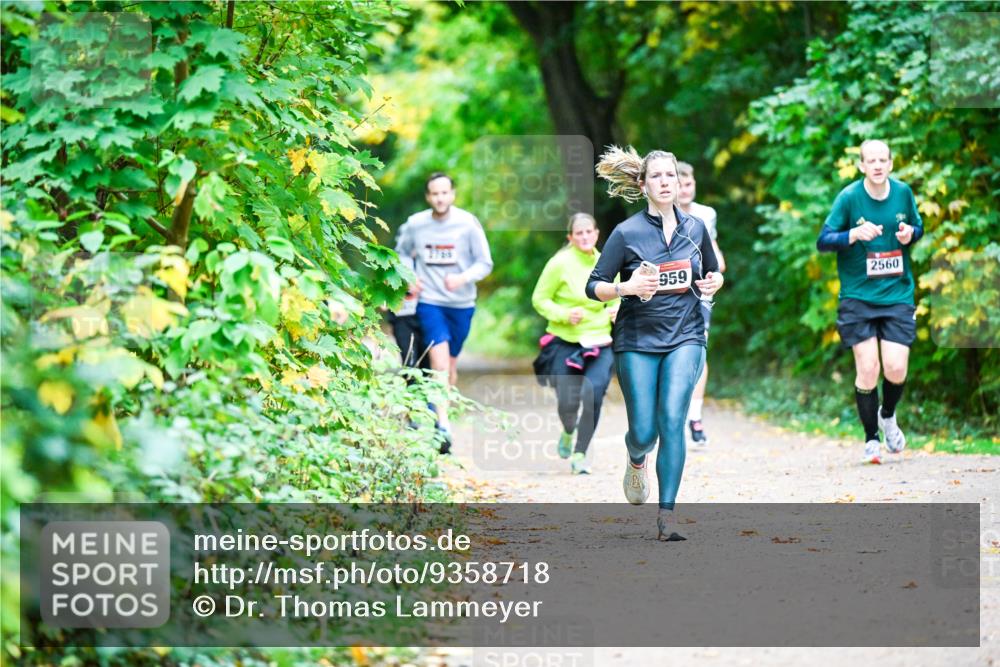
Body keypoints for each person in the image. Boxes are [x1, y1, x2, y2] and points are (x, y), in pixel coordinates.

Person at [587, 146, 724, 541]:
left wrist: (713, 282)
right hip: (636, 339)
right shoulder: (626, 233)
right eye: (658, 177)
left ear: (680, 183)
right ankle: (635, 458)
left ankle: (668, 516)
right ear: (643, 184)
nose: (666, 182)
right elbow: (592, 285)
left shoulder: (695, 228)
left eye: (672, 176)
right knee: (645, 432)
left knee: (672, 422)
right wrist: (624, 287)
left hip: (686, 334)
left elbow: (712, 273)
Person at [816, 139, 923, 464]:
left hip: (896, 294)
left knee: (895, 367)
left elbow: (918, 227)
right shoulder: (849, 197)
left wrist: (910, 234)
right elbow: (823, 241)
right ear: (862, 165)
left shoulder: (903, 192)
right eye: (870, 161)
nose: (877, 165)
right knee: (868, 367)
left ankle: (887, 415)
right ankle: (871, 439)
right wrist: (852, 235)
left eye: (883, 160)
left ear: (890, 164)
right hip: (858, 297)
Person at [396, 172, 493, 454]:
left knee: (450, 367)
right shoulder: (416, 224)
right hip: (430, 302)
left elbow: (485, 263)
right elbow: (401, 253)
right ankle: (442, 426)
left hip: (461, 304)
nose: (439, 198)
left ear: (452, 194)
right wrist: (410, 276)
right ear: (428, 197)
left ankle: (439, 412)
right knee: (439, 365)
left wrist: (462, 278)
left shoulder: (468, 224)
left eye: (444, 193)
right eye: (434, 194)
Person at [531, 213, 618, 475]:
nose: (584, 237)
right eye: (578, 234)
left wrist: (616, 309)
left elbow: (616, 294)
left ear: (596, 233)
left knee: (595, 392)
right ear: (570, 237)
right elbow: (540, 298)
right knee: (567, 402)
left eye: (588, 232)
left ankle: (580, 453)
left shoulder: (606, 261)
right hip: (565, 341)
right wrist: (564, 315)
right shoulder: (559, 263)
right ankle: (569, 430)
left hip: (600, 339)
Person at [676, 161, 726, 446]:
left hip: (700, 293)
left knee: (699, 353)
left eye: (689, 183)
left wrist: (715, 267)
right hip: (669, 295)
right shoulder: (662, 215)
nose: (685, 189)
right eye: (680, 184)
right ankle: (672, 414)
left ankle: (694, 417)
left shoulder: (707, 214)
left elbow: (716, 255)